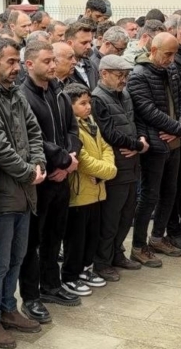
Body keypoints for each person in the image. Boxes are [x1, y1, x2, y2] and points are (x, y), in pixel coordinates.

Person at [0, 38, 47, 347]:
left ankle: (8, 309)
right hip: (2, 195)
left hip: (25, 192)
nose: (16, 68)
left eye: (18, 62)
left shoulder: (16, 93)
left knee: (17, 257)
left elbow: (34, 131)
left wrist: (39, 161)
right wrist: (29, 172)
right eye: (10, 62)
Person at [18, 39, 82, 320]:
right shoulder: (24, 96)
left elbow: (72, 128)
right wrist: (63, 160)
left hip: (62, 175)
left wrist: (70, 160)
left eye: (54, 60)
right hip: (41, 178)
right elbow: (36, 139)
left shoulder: (59, 91)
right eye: (47, 61)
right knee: (33, 240)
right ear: (29, 64)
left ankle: (51, 285)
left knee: (55, 235)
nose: (54, 65)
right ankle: (31, 296)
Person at [128, 32, 181, 266]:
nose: (172, 59)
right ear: (153, 51)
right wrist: (178, 127)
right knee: (149, 195)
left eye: (174, 54)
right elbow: (147, 110)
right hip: (155, 144)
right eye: (168, 54)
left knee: (170, 192)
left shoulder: (172, 70)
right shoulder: (138, 75)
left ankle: (157, 237)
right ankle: (138, 245)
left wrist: (180, 127)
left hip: (174, 142)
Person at [90, 55, 147, 280]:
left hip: (132, 164)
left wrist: (140, 142)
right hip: (115, 166)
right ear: (104, 74)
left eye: (126, 75)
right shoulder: (97, 99)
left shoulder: (124, 95)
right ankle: (102, 262)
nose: (123, 80)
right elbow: (108, 133)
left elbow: (134, 122)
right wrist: (137, 145)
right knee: (111, 218)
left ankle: (117, 253)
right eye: (119, 75)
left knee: (127, 214)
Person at [59, 82, 116, 296]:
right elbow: (82, 160)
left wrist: (107, 168)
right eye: (82, 103)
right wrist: (108, 171)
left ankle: (85, 269)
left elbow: (105, 146)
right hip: (80, 192)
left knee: (92, 235)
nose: (88, 107)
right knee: (76, 238)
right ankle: (70, 276)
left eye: (89, 102)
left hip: (97, 190)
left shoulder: (90, 122)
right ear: (70, 105)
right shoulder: (72, 127)